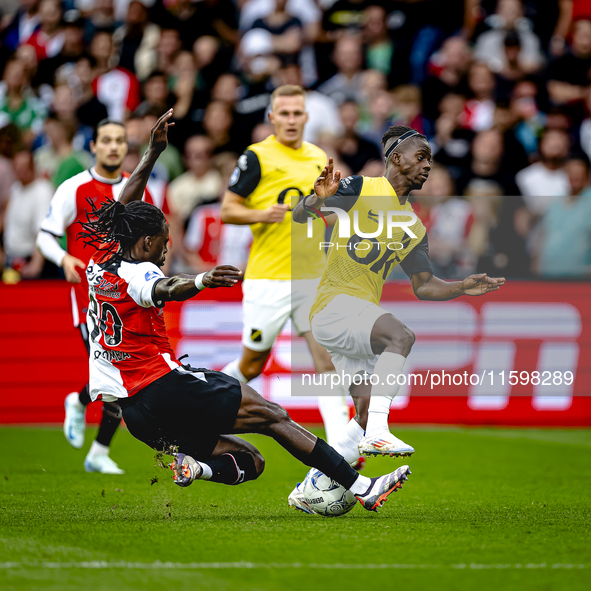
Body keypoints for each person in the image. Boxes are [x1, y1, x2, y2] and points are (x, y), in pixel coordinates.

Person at [76, 196, 412, 513]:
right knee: (273, 416)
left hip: (136, 416)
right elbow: (164, 287)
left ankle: (198, 468)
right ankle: (362, 487)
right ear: (146, 242)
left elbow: (123, 209)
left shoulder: (99, 263)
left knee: (252, 461)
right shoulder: (140, 273)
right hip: (164, 386)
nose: (166, 250)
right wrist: (202, 279)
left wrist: (151, 154)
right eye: (164, 242)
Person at [290, 125, 505, 512]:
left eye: (431, 160)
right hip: (335, 306)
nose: (428, 167)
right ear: (396, 159)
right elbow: (298, 216)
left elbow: (424, 285)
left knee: (365, 404)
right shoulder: (361, 187)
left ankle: (312, 485)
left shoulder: (414, 226)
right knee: (401, 336)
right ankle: (379, 434)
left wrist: (460, 286)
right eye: (421, 157)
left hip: (353, 315)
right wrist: (316, 202)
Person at [220, 84, 355, 465]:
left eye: (298, 114)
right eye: (285, 114)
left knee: (326, 358)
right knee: (252, 364)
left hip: (313, 277)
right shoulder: (257, 157)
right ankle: (206, 403)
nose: (292, 120)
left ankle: (343, 449)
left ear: (307, 117)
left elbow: (323, 214)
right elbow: (228, 210)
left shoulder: (318, 158)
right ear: (272, 117)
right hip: (268, 279)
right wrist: (261, 214)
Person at [35, 111, 173, 473]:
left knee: (116, 375)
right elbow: (44, 235)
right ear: (93, 146)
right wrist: (64, 257)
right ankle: (95, 442)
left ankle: (86, 418)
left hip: (131, 295)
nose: (113, 147)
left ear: (127, 147)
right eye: (106, 140)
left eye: (119, 141)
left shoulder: (139, 187)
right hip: (91, 297)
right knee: (115, 372)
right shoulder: (75, 188)